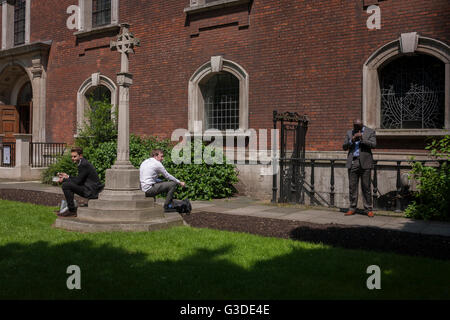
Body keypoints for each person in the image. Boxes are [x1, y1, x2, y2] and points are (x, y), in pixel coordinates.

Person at [139, 149, 191, 214]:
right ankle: (167, 207)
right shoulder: (157, 164)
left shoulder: (145, 161)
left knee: (160, 181)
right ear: (155, 156)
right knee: (172, 184)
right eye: (161, 156)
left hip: (141, 188)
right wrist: (179, 182)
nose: (163, 158)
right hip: (148, 190)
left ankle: (169, 202)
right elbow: (167, 176)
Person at [343, 119, 376, 218]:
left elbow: (374, 145)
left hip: (365, 162)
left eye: (357, 126)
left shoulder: (370, 131)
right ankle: (352, 208)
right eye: (354, 126)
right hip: (353, 162)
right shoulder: (350, 132)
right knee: (352, 186)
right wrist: (352, 140)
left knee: (366, 186)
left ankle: (368, 209)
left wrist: (362, 139)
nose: (355, 128)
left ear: (362, 125)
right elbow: (344, 147)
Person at [56, 147, 104, 217]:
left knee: (66, 185)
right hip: (89, 188)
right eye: (72, 156)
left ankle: (72, 211)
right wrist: (67, 176)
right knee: (67, 184)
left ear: (80, 156)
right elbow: (79, 179)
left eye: (75, 156)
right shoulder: (82, 162)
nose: (73, 158)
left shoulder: (83, 165)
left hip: (91, 191)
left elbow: (78, 181)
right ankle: (70, 209)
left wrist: (64, 179)